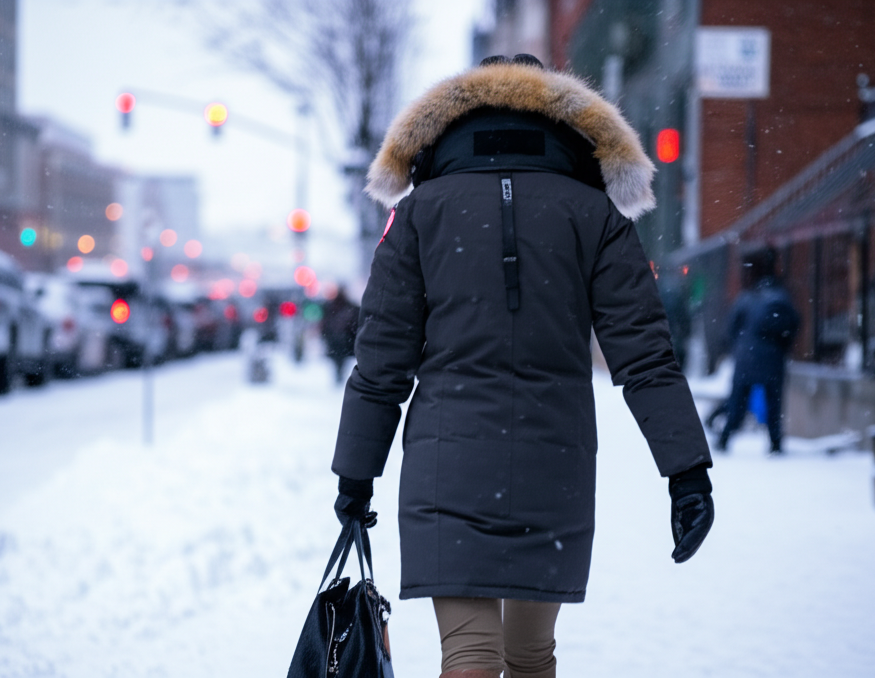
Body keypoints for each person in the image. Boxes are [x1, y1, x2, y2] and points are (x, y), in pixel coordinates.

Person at [330, 54, 714, 678]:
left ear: (457, 118)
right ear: (563, 118)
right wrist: (687, 471)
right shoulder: (596, 215)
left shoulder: (422, 211)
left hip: (445, 464)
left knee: (471, 656)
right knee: (531, 656)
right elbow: (645, 354)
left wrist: (355, 475)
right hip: (552, 461)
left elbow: (381, 362)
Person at [714, 247, 800, 455]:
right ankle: (775, 443)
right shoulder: (781, 296)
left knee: (738, 401)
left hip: (746, 357)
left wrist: (741, 345)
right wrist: (781, 347)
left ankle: (725, 438)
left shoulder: (746, 297)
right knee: (774, 402)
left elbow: (731, 328)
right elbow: (793, 325)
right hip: (772, 358)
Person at [320, 285, 360, 384]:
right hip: (344, 339)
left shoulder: (331, 306)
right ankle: (339, 375)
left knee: (338, 360)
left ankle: (339, 375)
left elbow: (325, 322)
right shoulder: (349, 306)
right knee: (340, 360)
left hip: (338, 338)